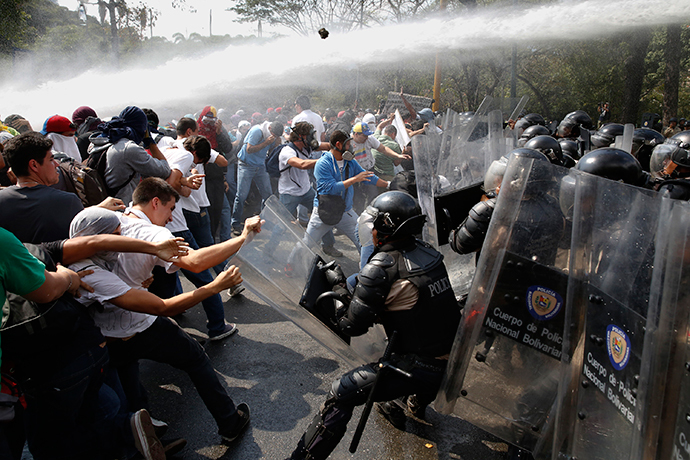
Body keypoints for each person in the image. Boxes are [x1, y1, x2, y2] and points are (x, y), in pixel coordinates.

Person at [288, 191, 461, 459]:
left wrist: (336, 285)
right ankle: (416, 401)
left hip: (419, 367)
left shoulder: (382, 266)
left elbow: (350, 326)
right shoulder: (428, 253)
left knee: (340, 393)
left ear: (387, 227)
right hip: (454, 360)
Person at [68, 202, 253, 447]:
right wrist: (214, 287)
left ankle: (144, 438)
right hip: (136, 327)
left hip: (106, 339)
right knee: (195, 358)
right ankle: (230, 421)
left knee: (128, 379)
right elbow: (163, 307)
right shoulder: (92, 273)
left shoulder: (73, 258)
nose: (120, 239)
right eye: (114, 236)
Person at [0, 132, 123, 243]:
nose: (57, 164)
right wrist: (99, 211)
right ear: (34, 165)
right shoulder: (66, 201)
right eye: (51, 159)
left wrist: (95, 208)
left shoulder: (2, 201)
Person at [298, 130, 389, 259]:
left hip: (345, 211)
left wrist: (389, 184)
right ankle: (290, 264)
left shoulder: (350, 162)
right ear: (339, 145)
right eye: (348, 144)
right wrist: (355, 179)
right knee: (307, 243)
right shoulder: (323, 163)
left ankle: (369, 269)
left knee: (364, 240)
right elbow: (329, 188)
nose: (350, 148)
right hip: (324, 212)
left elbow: (368, 177)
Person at [88, 106, 171, 205]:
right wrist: (151, 143)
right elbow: (164, 170)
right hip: (123, 209)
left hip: (104, 204)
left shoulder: (100, 141)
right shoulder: (128, 149)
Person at [230, 119, 281, 235]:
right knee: (241, 195)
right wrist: (266, 143)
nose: (274, 137)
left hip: (260, 166)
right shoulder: (257, 131)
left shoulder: (272, 136)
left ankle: (262, 221)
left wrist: (275, 144)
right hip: (246, 165)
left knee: (267, 195)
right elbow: (249, 149)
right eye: (274, 135)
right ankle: (235, 223)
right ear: (270, 129)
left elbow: (270, 150)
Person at [350, 122, 409, 213]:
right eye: (364, 136)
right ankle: (358, 215)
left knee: (373, 193)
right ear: (356, 134)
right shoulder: (348, 142)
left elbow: (383, 149)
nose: (366, 138)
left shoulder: (369, 139)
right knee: (357, 197)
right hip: (354, 173)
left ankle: (370, 213)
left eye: (367, 136)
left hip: (369, 170)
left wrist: (397, 155)